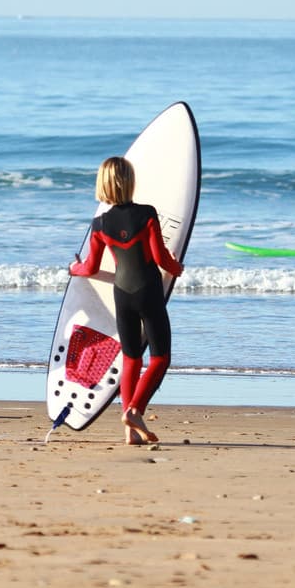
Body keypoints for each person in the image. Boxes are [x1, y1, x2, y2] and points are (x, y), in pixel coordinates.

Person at [69, 156, 183, 445]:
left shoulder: (99, 224)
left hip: (122, 294)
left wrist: (74, 269)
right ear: (130, 182)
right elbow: (160, 258)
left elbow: (91, 267)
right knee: (160, 358)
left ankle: (130, 431)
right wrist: (177, 268)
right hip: (148, 292)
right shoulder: (147, 214)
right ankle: (134, 411)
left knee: (131, 358)